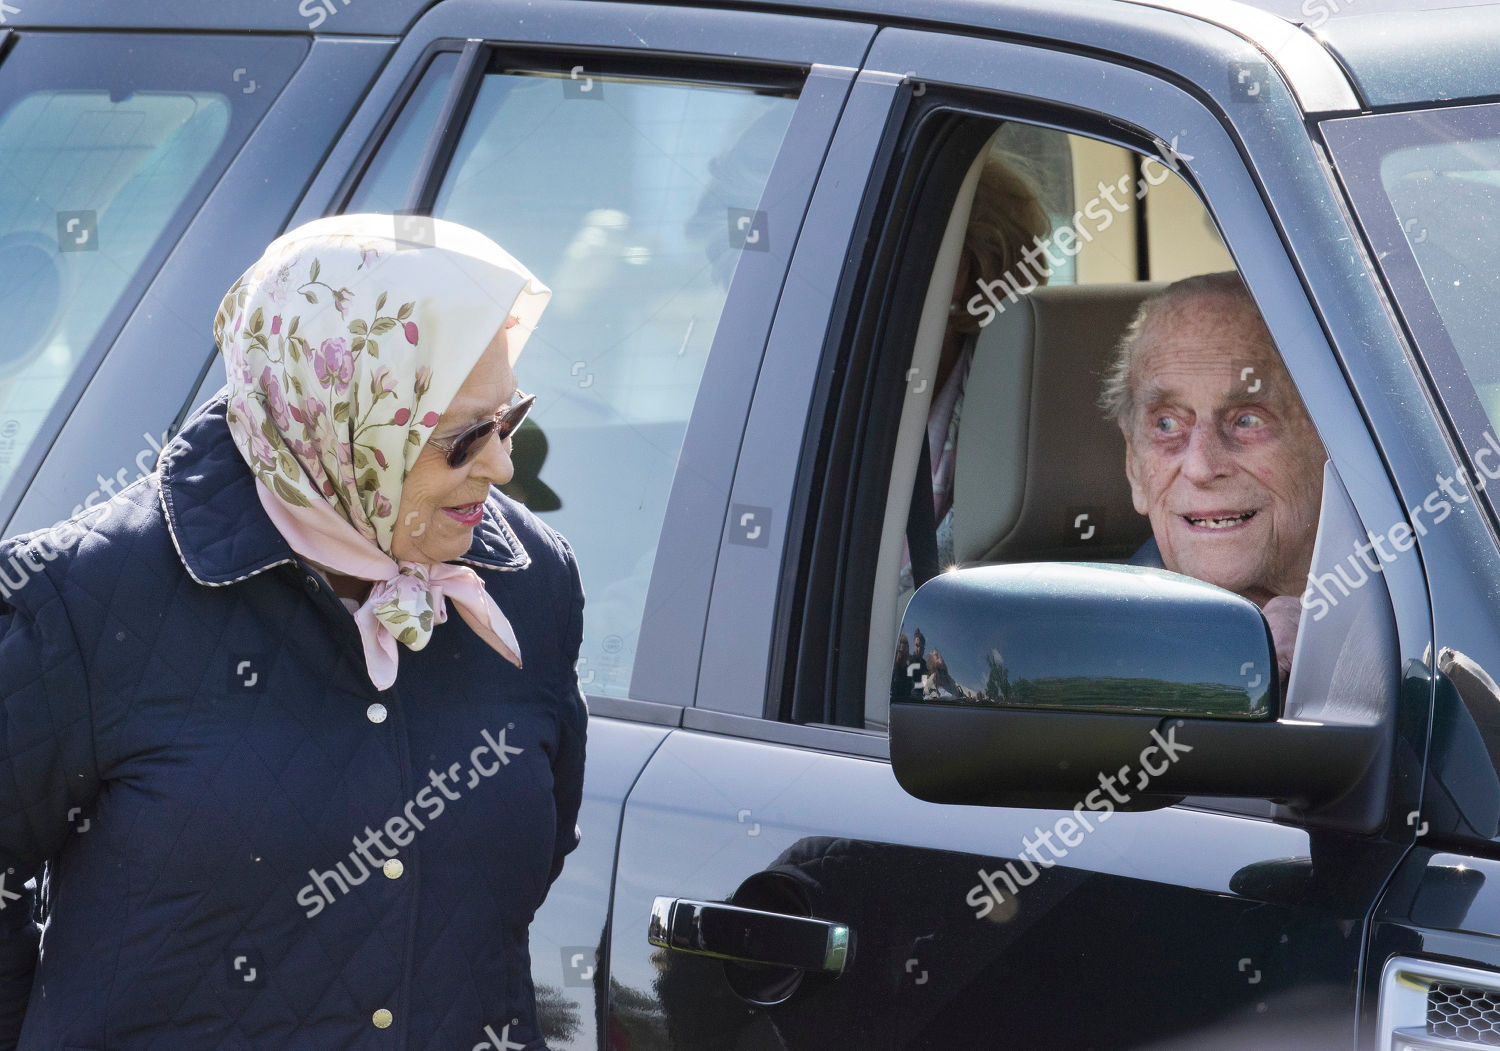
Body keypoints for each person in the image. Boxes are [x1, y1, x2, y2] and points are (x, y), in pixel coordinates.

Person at [0, 214, 587, 1050]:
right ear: (336, 420)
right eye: (461, 438)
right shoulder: (87, 598)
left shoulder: (532, 584)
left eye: (508, 418)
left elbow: (533, 853)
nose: (501, 464)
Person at [1099, 271, 1327, 686]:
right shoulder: (1094, 655)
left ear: (1331, 445)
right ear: (1134, 466)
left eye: (1247, 419)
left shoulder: (1427, 608)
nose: (1201, 467)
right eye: (1167, 424)